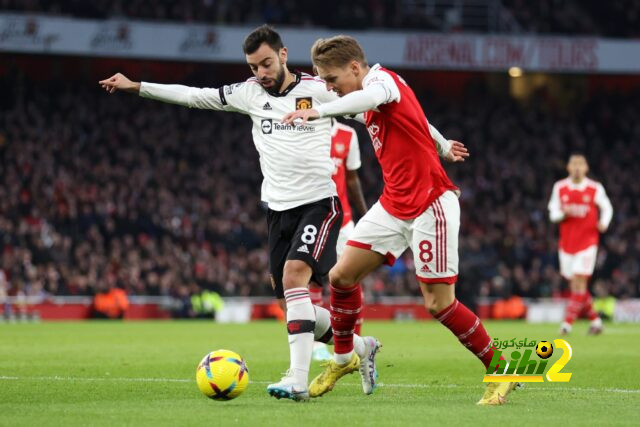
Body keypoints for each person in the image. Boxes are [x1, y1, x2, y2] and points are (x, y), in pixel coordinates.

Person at [98, 25, 382, 402]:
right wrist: (138, 86)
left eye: (266, 63)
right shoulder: (248, 94)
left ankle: (297, 378)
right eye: (253, 67)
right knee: (291, 306)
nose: (260, 73)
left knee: (295, 276)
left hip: (319, 204)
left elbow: (383, 115)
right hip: (277, 211)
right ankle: (362, 348)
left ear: (282, 55)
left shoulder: (318, 90)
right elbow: (194, 97)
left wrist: (437, 144)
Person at [282, 35, 517, 405]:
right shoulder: (370, 97)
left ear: (356, 68)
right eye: (325, 81)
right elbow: (416, 118)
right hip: (393, 204)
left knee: (439, 304)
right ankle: (345, 358)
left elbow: (368, 98)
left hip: (430, 203)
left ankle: (502, 368)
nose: (330, 87)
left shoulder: (382, 82)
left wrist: (320, 112)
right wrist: (441, 144)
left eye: (333, 78)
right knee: (342, 277)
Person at [311, 119, 369, 362]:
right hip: (314, 218)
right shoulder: (308, 130)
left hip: (344, 221)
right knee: (312, 278)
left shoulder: (348, 135)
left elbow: (352, 178)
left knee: (351, 279)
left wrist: (366, 215)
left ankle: (355, 342)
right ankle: (315, 345)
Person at [548, 153, 613, 335]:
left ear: (586, 168)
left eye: (580, 164)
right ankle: (596, 321)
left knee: (579, 280)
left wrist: (604, 222)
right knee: (576, 287)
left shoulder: (594, 188)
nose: (577, 167)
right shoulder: (560, 187)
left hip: (588, 243)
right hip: (567, 245)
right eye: (574, 164)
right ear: (568, 167)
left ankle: (567, 324)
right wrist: (563, 214)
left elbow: (607, 207)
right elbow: (552, 214)